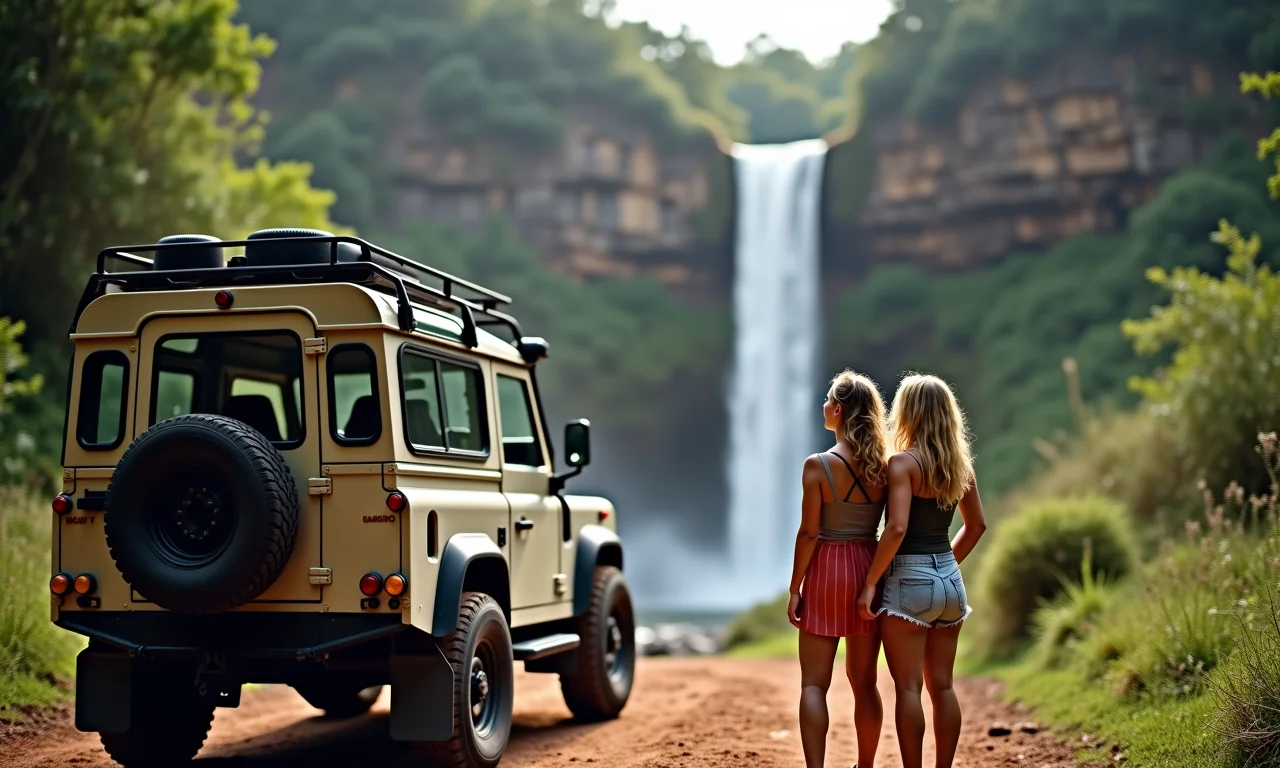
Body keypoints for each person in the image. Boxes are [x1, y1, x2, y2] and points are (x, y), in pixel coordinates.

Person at [857, 373, 987, 768]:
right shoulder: (960, 467)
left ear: (908, 414)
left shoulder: (903, 463)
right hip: (950, 580)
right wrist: (944, 566)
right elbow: (977, 525)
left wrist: (870, 582)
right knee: (943, 687)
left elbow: (895, 529)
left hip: (908, 583)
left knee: (909, 689)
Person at [787, 370, 889, 768]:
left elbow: (809, 533)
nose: (824, 406)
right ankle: (865, 766)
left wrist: (796, 586)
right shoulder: (885, 466)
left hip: (826, 570)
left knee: (813, 684)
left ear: (840, 410)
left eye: (828, 400)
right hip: (868, 570)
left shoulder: (817, 466)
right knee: (865, 683)